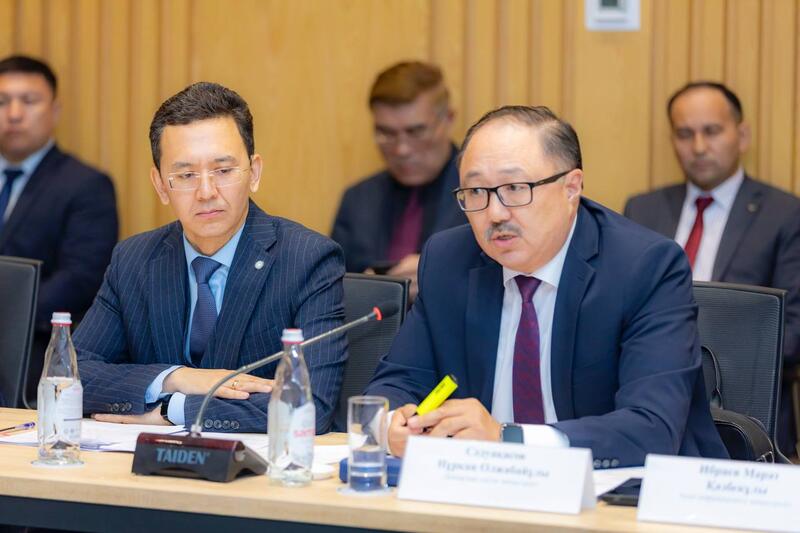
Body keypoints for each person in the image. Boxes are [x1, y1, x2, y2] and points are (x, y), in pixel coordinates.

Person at [365, 105, 728, 467]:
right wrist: (393, 424)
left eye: (515, 188)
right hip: (481, 483)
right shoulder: (449, 260)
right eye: (476, 191)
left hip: (616, 486)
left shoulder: (643, 267)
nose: (495, 213)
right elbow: (396, 382)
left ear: (571, 188)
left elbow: (650, 428)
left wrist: (507, 438)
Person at [74, 82, 348, 433]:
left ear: (254, 173)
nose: (206, 192)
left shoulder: (307, 259)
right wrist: (177, 378)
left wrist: (175, 408)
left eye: (223, 171)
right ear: (160, 185)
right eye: (186, 175)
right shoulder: (134, 260)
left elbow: (310, 405)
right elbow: (71, 376)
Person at [624, 82, 800, 456]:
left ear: (742, 135)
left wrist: (691, 360)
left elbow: (792, 332)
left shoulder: (784, 214)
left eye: (712, 131)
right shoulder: (643, 209)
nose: (699, 147)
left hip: (746, 418)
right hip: (650, 409)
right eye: (685, 134)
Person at [0, 55, 117, 406]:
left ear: (54, 111)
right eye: (3, 101)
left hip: (34, 354)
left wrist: (8, 314)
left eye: (29, 101)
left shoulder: (86, 185)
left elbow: (81, 278)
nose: (14, 113)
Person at [331, 61, 466, 300]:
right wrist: (361, 288)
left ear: (448, 119)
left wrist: (442, 278)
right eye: (386, 133)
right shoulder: (357, 200)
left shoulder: (482, 194)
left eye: (416, 132)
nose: (402, 149)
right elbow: (329, 289)